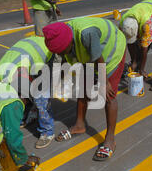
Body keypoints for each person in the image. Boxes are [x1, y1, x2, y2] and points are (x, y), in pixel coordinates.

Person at [42, 17, 126, 161]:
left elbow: (98, 58)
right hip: (90, 57)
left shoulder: (87, 34)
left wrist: (104, 82)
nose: (62, 54)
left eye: (63, 51)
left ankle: (110, 138)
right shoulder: (62, 34)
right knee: (83, 88)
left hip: (110, 53)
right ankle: (79, 125)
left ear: (69, 42)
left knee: (108, 96)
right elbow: (62, 57)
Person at [0, 36, 55, 149]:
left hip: (44, 50)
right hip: (26, 50)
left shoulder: (22, 78)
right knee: (19, 99)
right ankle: (26, 113)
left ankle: (47, 132)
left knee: (41, 98)